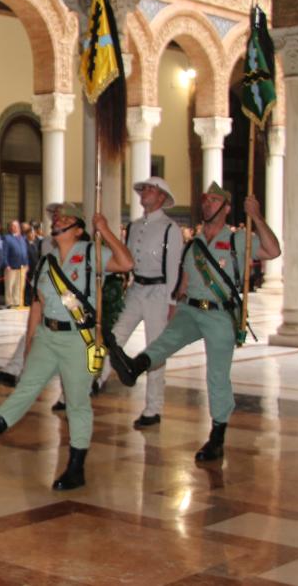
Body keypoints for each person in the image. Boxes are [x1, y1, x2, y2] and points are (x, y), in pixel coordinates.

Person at [0, 203, 132, 491]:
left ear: (77, 227)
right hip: (47, 337)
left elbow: (126, 263)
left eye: (64, 216)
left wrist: (106, 231)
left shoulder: (90, 254)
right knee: (26, 388)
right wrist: (29, 341)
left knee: (77, 402)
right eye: (55, 216)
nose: (57, 219)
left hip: (78, 338)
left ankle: (76, 467)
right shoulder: (47, 262)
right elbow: (37, 303)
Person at [112, 182, 280, 463]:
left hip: (219, 314)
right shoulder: (195, 244)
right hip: (190, 310)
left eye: (215, 200)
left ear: (226, 208)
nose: (207, 204)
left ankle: (217, 436)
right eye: (205, 200)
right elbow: (185, 282)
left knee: (216, 376)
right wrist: (173, 307)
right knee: (164, 341)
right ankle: (134, 367)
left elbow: (272, 251)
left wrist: (257, 217)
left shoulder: (238, 240)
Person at [103, 177, 182, 428]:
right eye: (144, 188)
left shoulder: (171, 229)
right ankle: (95, 380)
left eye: (150, 189)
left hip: (159, 292)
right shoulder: (135, 226)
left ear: (161, 197)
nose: (144, 192)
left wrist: (171, 302)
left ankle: (153, 408)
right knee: (114, 337)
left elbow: (174, 267)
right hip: (137, 289)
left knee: (155, 350)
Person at [0, 203, 65, 387]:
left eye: (59, 215)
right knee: (31, 334)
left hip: (69, 299)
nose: (54, 218)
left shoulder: (81, 243)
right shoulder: (47, 242)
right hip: (49, 295)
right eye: (53, 215)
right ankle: (14, 370)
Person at [3, 219, 28, 308]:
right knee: (10, 285)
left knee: (19, 285)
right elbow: (4, 252)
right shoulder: (7, 238)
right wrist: (6, 264)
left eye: (17, 226)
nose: (15, 228)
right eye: (13, 226)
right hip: (11, 266)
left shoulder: (22, 238)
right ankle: (9, 302)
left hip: (21, 266)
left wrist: (26, 263)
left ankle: (17, 301)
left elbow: (25, 252)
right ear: (10, 228)